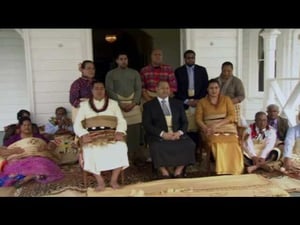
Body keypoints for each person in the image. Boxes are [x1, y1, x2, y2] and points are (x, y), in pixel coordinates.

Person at [73, 80, 129, 191]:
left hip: (111, 135)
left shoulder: (113, 103)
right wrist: (83, 134)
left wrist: (120, 131)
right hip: (92, 136)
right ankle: (100, 182)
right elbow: (77, 123)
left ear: (105, 90)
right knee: (89, 150)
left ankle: (114, 180)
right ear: (92, 90)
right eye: (96, 88)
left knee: (121, 147)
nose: (99, 91)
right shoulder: (84, 105)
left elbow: (121, 120)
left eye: (101, 88)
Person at [142, 81, 196, 178]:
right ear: (156, 89)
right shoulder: (149, 105)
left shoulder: (177, 103)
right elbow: (147, 125)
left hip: (176, 134)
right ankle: (164, 172)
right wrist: (163, 134)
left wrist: (179, 133)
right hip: (159, 135)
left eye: (167, 88)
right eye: (162, 88)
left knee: (190, 144)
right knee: (156, 147)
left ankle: (178, 171)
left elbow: (185, 122)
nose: (165, 90)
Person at [195, 78, 244, 175]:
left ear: (219, 89)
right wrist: (205, 128)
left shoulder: (226, 99)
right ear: (207, 89)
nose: (214, 90)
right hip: (209, 127)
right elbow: (198, 119)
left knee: (233, 141)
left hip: (225, 125)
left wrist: (217, 125)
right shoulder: (202, 102)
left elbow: (231, 116)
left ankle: (235, 169)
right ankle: (222, 169)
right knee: (217, 141)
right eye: (211, 88)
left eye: (216, 88)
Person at [0, 117, 63, 187]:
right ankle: (32, 176)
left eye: (29, 125)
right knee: (15, 171)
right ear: (20, 127)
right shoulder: (14, 138)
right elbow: (2, 150)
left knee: (43, 166)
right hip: (21, 159)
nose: (27, 127)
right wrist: (13, 151)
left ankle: (28, 177)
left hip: (37, 157)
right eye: (24, 125)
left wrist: (46, 147)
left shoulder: (38, 136)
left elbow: (52, 145)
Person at [140, 49, 177, 162]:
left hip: (165, 95)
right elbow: (142, 88)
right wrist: (151, 101)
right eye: (155, 54)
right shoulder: (144, 70)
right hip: (149, 96)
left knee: (166, 121)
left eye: (160, 55)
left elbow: (173, 87)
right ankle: (151, 151)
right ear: (151, 56)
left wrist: (164, 98)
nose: (157, 57)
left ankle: (169, 149)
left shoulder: (168, 69)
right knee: (149, 123)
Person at [105, 53, 142, 165]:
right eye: (121, 59)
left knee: (135, 130)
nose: (123, 61)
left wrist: (134, 102)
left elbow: (139, 89)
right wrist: (119, 104)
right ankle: (122, 156)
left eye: (125, 59)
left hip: (133, 105)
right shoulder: (111, 74)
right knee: (120, 130)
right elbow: (109, 90)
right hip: (118, 106)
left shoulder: (134, 73)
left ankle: (135, 155)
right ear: (117, 61)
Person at [174, 49, 209, 158]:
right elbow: (176, 89)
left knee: (197, 127)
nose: (190, 59)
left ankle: (196, 151)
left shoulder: (202, 70)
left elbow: (205, 87)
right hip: (184, 102)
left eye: (192, 57)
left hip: (198, 101)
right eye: (188, 58)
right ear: (185, 59)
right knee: (185, 127)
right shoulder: (178, 71)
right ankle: (185, 152)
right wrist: (186, 101)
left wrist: (198, 100)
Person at [215, 61, 246, 127]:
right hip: (216, 107)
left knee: (232, 126)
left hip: (232, 107)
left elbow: (241, 96)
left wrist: (228, 102)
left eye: (229, 71)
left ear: (232, 70)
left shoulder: (237, 81)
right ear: (221, 70)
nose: (226, 73)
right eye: (224, 71)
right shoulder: (215, 80)